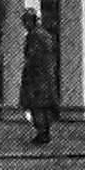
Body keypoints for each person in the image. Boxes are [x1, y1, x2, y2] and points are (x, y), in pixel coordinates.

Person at [20, 8, 60, 145]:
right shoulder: (46, 35)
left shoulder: (34, 36)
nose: (24, 25)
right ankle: (44, 131)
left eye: (25, 21)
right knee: (44, 105)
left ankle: (42, 133)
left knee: (37, 105)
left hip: (37, 76)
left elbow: (32, 56)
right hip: (47, 75)